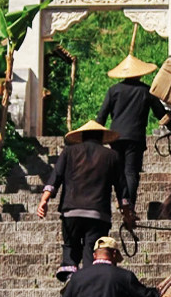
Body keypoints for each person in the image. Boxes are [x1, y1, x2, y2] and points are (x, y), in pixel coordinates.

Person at [37, 120, 135, 282]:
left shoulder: (69, 152)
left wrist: (44, 200)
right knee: (92, 251)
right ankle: (88, 283)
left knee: (71, 247)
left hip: (71, 212)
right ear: (102, 137)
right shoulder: (112, 156)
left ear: (82, 136)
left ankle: (70, 275)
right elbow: (121, 189)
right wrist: (127, 215)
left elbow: (56, 177)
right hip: (98, 214)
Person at [96, 52, 165, 207]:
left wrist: (95, 137)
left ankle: (121, 200)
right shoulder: (147, 91)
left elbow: (101, 117)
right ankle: (129, 205)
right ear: (140, 74)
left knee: (118, 172)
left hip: (115, 137)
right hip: (135, 137)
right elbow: (160, 114)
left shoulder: (113, 91)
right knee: (131, 172)